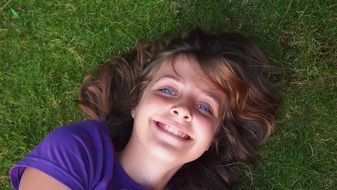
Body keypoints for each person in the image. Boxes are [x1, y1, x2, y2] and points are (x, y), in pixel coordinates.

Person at [9, 29, 279, 190]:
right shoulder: (80, 149)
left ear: (214, 138)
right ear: (136, 103)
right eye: (168, 90)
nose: (183, 110)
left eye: (205, 107)